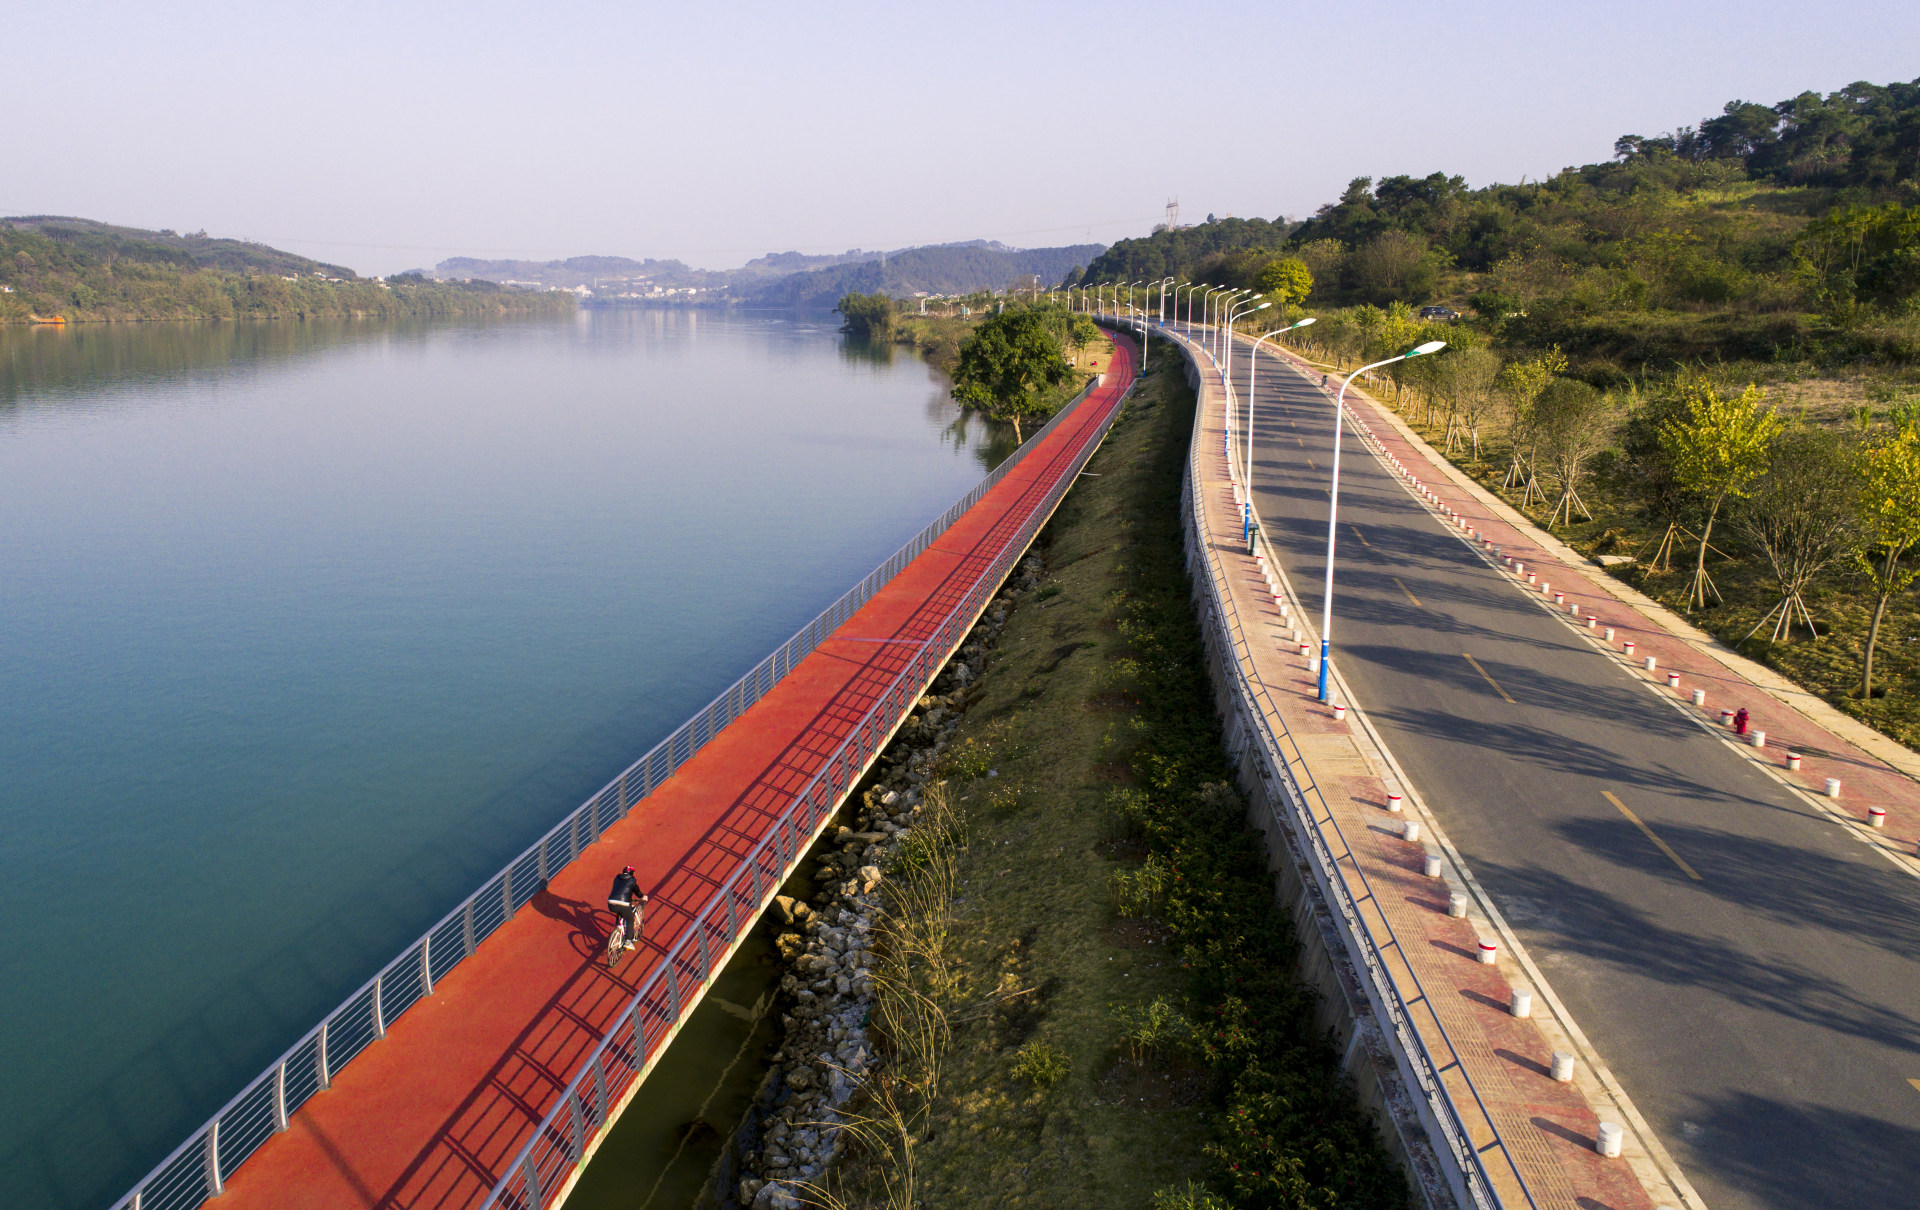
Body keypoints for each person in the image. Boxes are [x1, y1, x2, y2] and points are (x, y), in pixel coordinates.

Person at [608, 866, 648, 942]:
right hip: (623, 903)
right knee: (630, 918)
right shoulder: (632, 880)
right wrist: (643, 897)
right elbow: (637, 891)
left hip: (611, 902)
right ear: (632, 873)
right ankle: (628, 941)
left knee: (619, 910)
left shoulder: (617, 878)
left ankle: (618, 927)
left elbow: (620, 890)